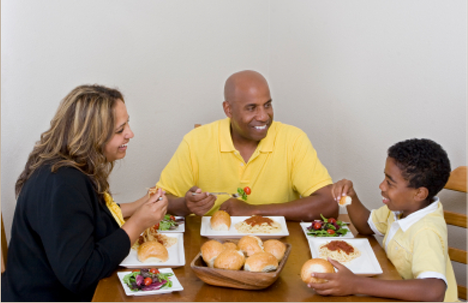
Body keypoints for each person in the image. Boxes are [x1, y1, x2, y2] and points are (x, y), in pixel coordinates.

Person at [1, 85, 168, 301]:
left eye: (127, 123)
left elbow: (85, 219)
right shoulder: (63, 184)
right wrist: (137, 223)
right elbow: (80, 275)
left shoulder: (67, 169)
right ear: (92, 136)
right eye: (120, 129)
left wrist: (141, 205)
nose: (130, 133)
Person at [156, 70, 337, 221]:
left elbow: (329, 204)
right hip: (207, 248)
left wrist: (254, 211)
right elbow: (159, 201)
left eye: (267, 105)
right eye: (251, 108)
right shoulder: (196, 141)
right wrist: (186, 205)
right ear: (228, 110)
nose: (263, 116)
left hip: (280, 248)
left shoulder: (293, 139)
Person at [308, 138, 458, 302]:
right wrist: (350, 196)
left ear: (419, 194)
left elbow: (433, 291)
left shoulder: (426, 231)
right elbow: (366, 225)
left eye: (390, 182)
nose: (381, 186)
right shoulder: (401, 210)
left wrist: (356, 284)